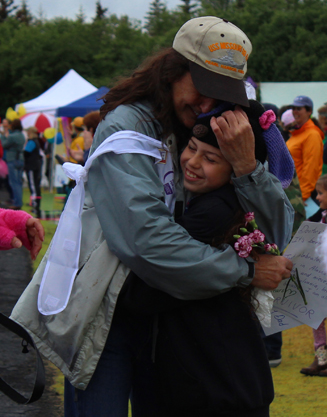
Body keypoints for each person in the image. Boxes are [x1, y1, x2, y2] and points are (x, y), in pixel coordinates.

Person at [11, 17, 294, 417]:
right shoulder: (127, 125)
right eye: (203, 88)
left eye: (220, 94)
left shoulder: (211, 126)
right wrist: (244, 271)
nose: (208, 104)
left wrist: (248, 166)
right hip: (108, 319)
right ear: (173, 71)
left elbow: (275, 234)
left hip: (172, 323)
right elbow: (146, 241)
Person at [116, 99, 294, 417]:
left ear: (235, 168)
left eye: (210, 157)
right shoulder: (230, 207)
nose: (193, 162)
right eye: (192, 148)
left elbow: (142, 294)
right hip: (234, 379)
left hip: (206, 386)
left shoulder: (212, 212)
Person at [300, 173, 327, 376]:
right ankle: (321, 358)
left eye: (321, 193)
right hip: (319, 276)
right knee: (316, 317)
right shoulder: (320, 215)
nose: (317, 197)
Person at [286, 96, 324, 217]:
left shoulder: (312, 135)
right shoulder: (297, 133)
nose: (295, 111)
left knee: (304, 234)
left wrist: (302, 196)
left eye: (299, 108)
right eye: (293, 108)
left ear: (309, 111)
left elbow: (311, 168)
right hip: (292, 193)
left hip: (303, 197)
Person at [0, 118, 25, 209]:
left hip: (12, 160)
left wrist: (3, 136)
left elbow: (4, 145)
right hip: (20, 160)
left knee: (14, 182)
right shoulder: (21, 135)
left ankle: (17, 202)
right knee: (18, 182)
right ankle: (18, 200)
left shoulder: (12, 136)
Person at [24, 127, 43, 218]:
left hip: (31, 166)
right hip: (36, 166)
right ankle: (35, 203)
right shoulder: (37, 141)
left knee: (33, 185)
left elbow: (26, 152)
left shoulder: (31, 142)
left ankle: (35, 204)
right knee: (36, 185)